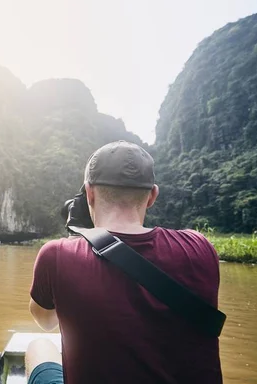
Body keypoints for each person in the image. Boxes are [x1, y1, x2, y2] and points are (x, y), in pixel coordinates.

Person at [27, 141, 222, 384]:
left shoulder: (56, 255)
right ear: (152, 196)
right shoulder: (200, 247)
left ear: (89, 192)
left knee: (39, 345)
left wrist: (78, 238)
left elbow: (45, 321)